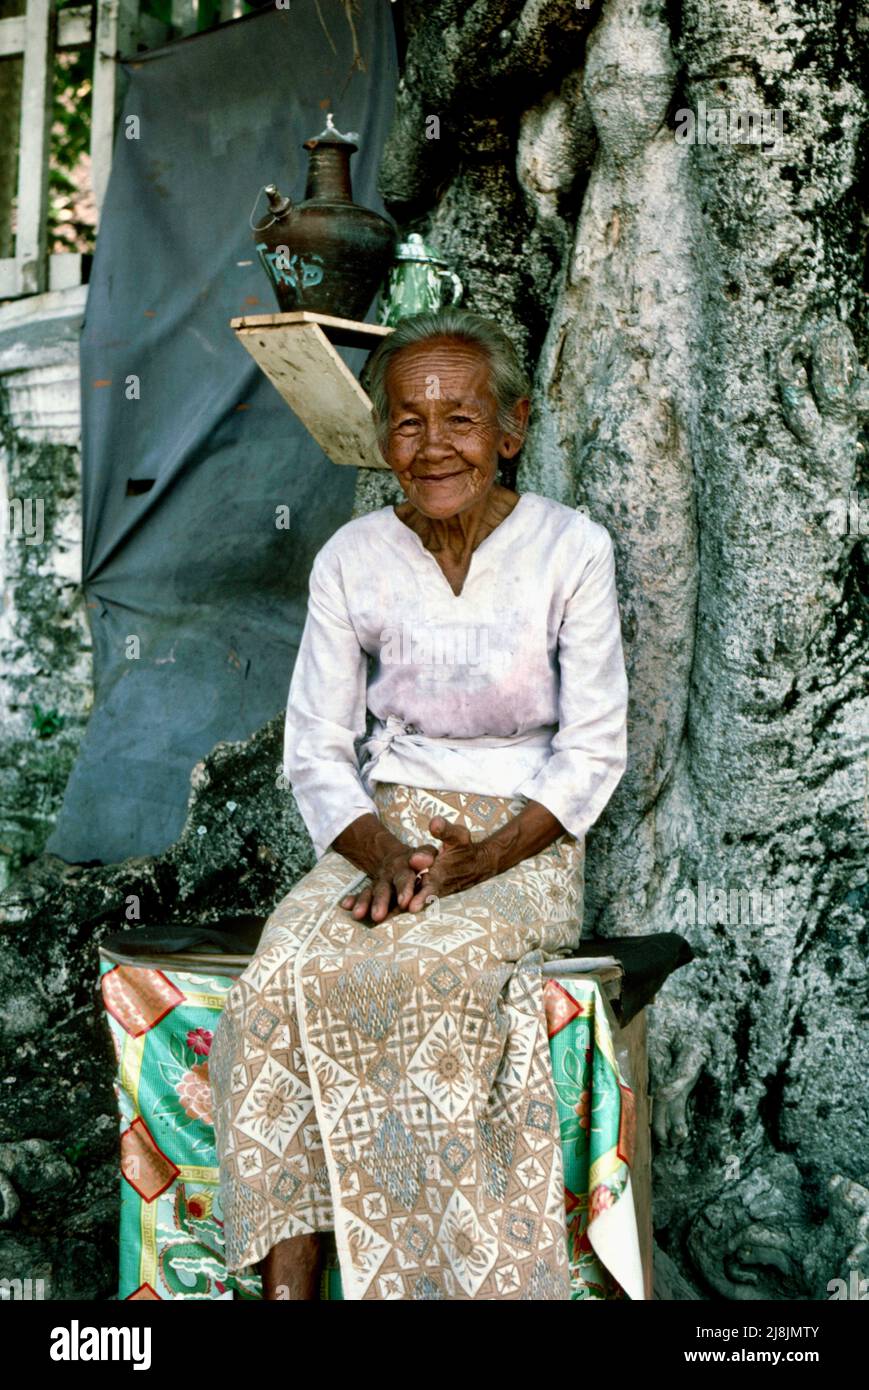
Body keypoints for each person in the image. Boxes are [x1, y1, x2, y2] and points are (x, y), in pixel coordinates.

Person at [208, 306, 629, 1301]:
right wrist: (381, 852)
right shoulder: (352, 557)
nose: (433, 444)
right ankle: (289, 1288)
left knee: (426, 977)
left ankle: (432, 1284)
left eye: (461, 417)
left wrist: (476, 860)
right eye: (407, 420)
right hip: (382, 826)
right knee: (273, 986)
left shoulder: (571, 549)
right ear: (382, 436)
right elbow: (314, 744)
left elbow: (593, 748)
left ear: (511, 427)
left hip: (523, 836)